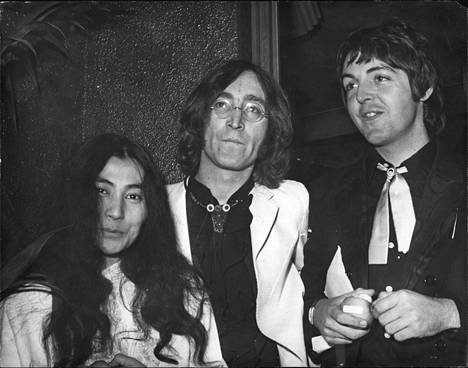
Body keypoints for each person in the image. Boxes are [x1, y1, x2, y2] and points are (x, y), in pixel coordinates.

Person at [301, 19, 466, 367]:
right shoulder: (324, 193)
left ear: (423, 88)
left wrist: (450, 314)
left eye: (380, 77)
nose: (360, 96)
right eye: (350, 85)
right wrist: (319, 312)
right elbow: (296, 296)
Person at [0, 133, 225, 367]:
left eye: (133, 196)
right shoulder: (26, 306)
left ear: (151, 210)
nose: (116, 211)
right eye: (102, 191)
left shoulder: (185, 292)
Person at [167, 59, 310, 367]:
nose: (236, 121)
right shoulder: (155, 206)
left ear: (271, 129)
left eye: (253, 109)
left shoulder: (293, 201)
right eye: (221, 104)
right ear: (200, 117)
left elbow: (320, 295)